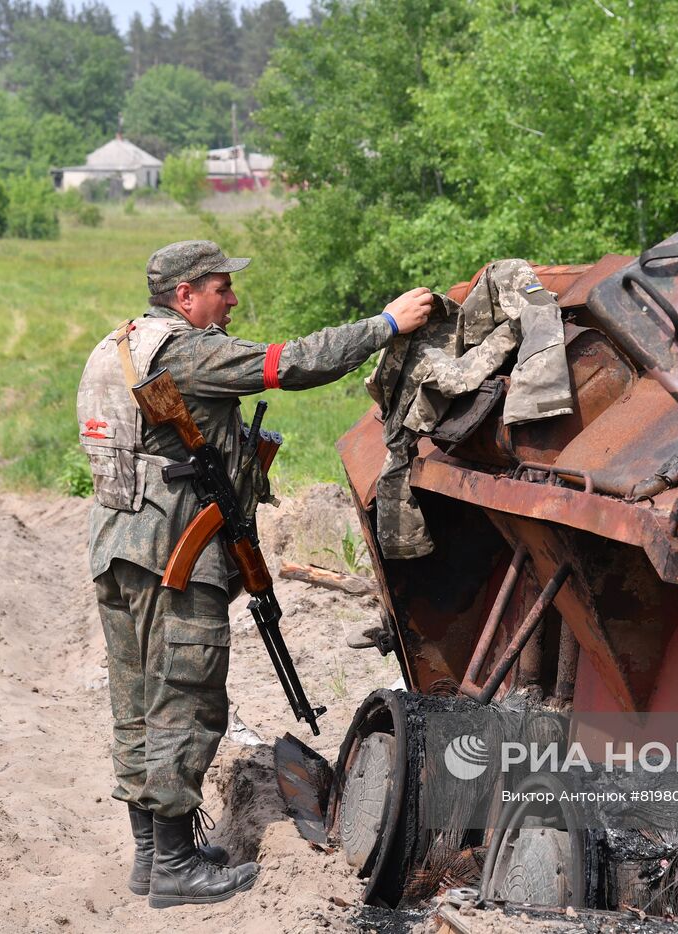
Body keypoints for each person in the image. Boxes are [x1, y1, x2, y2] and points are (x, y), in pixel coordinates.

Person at [77, 240, 432, 909]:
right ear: (185, 295)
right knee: (185, 700)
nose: (233, 299)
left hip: (119, 546)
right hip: (172, 554)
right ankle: (175, 867)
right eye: (221, 288)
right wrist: (386, 325)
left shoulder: (119, 345)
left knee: (138, 702)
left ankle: (153, 858)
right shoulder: (186, 352)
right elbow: (291, 363)